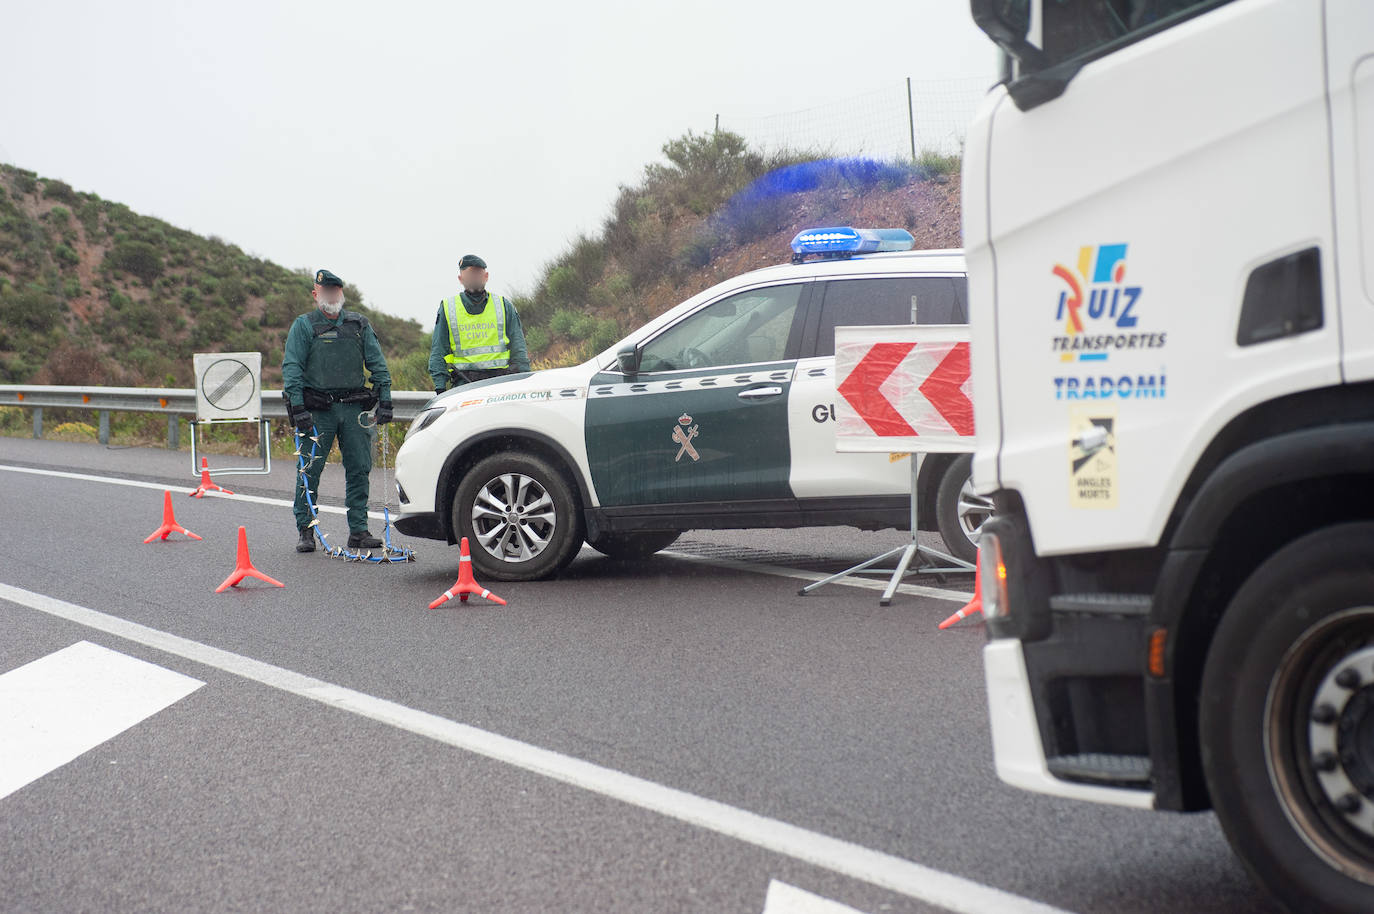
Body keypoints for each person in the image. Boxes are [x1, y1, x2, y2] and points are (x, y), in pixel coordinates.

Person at [282, 268, 393, 553]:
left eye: (336, 290)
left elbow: (377, 363)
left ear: (341, 293)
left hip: (354, 409)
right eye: (325, 291)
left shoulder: (358, 324)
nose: (331, 295)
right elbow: (292, 368)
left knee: (359, 468)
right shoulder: (304, 325)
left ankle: (358, 530)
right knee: (309, 469)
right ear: (315, 294)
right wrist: (298, 407)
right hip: (319, 411)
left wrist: (386, 399)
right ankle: (306, 530)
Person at [428, 253, 531, 393]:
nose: (474, 278)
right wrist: (440, 387)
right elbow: (438, 350)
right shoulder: (448, 307)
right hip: (464, 385)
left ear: (486, 276)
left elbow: (518, 348)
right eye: (470, 274)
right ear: (461, 279)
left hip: (500, 383)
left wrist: (522, 380)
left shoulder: (503, 305)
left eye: (477, 273)